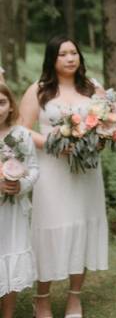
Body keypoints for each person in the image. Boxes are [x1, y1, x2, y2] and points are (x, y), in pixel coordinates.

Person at [18, 36, 116, 318]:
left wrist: (101, 138)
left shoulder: (93, 88)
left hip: (87, 172)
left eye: (73, 53)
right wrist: (54, 144)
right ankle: (41, 299)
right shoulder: (39, 91)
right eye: (63, 54)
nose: (69, 58)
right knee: (50, 228)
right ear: (52, 59)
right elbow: (23, 129)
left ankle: (74, 298)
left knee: (82, 226)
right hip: (52, 172)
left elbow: (108, 123)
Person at [0, 84, 39, 318]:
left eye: (2, 102)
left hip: (12, 212)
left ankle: (8, 314)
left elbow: (34, 168)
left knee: (9, 255)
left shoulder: (21, 135)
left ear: (11, 105)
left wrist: (20, 185)